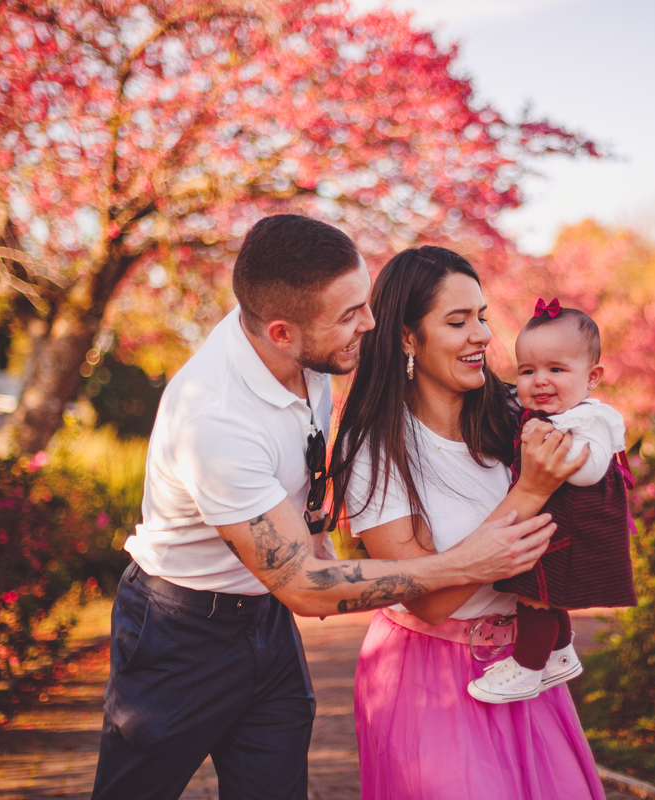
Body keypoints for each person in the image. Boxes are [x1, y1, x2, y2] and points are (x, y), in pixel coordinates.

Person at [90, 216, 559, 800]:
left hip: (266, 621)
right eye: (350, 315)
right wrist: (465, 563)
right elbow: (307, 589)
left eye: (363, 303)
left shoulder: (303, 350)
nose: (371, 323)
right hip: (178, 632)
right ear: (282, 333)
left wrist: (316, 531)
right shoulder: (214, 420)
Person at [330, 247, 608, 800]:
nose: (481, 334)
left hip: (524, 665)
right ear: (407, 338)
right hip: (427, 674)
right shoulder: (377, 447)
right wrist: (530, 492)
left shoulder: (513, 413)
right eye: (457, 322)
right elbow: (429, 601)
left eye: (481, 316)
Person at [469, 299, 637, 704]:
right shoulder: (545, 416)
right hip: (555, 521)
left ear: (592, 377)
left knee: (536, 596)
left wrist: (548, 446)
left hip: (577, 527)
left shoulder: (589, 419)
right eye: (527, 371)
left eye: (556, 370)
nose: (539, 381)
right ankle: (560, 655)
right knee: (545, 591)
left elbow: (590, 470)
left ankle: (526, 669)